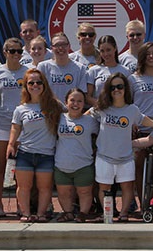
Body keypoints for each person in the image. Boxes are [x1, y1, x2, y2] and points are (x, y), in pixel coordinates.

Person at [90, 73, 153, 222]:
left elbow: (146, 121)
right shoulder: (102, 108)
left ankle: (124, 214)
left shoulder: (132, 110)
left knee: (127, 187)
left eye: (120, 86)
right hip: (104, 156)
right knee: (104, 188)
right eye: (113, 87)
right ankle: (108, 213)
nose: (116, 90)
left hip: (125, 157)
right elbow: (86, 116)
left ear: (125, 88)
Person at [8, 68, 63, 223]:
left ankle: (40, 214)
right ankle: (25, 213)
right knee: (24, 187)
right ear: (26, 86)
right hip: (25, 153)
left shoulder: (54, 105)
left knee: (44, 188)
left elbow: (73, 115)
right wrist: (11, 145)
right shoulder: (21, 109)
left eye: (39, 82)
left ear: (44, 85)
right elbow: (15, 128)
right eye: (31, 83)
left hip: (47, 154)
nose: (35, 85)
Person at [0, 38, 29, 217]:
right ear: (5, 52)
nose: (16, 55)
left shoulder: (28, 72)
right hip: (1, 124)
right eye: (12, 51)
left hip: (23, 127)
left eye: (19, 51)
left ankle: (22, 205)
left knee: (21, 167)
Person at [128, 42, 153, 209]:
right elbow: (128, 104)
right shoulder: (133, 78)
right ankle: (142, 203)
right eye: (148, 54)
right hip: (139, 129)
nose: (151, 56)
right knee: (138, 166)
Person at [54, 88, 98, 222]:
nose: (76, 104)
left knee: (84, 192)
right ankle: (68, 213)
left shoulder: (90, 121)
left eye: (80, 101)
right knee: (63, 193)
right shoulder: (58, 118)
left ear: (84, 103)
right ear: (66, 102)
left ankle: (82, 214)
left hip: (83, 164)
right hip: (61, 164)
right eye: (72, 100)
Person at [37, 33, 87, 103]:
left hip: (71, 111)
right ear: (51, 48)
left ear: (69, 46)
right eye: (57, 45)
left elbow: (81, 95)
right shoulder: (43, 67)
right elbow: (38, 92)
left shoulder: (80, 68)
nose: (60, 48)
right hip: (49, 111)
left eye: (64, 44)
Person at [85, 35, 131, 106]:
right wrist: (101, 105)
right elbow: (88, 96)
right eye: (102, 51)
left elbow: (129, 95)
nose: (105, 54)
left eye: (108, 50)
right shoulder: (93, 70)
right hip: (100, 112)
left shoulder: (125, 71)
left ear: (115, 48)